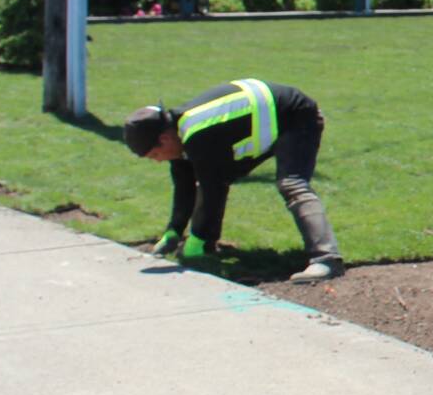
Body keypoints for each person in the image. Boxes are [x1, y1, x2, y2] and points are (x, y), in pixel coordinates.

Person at [122, 79, 342, 283]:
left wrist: (196, 239)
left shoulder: (198, 133)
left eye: (154, 156)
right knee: (215, 176)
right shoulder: (180, 129)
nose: (158, 162)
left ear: (164, 139)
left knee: (291, 183)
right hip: (273, 116)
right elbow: (184, 184)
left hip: (297, 117)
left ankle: (326, 259)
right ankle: (208, 245)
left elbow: (212, 189)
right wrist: (174, 231)